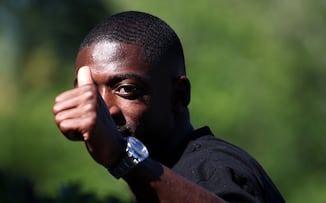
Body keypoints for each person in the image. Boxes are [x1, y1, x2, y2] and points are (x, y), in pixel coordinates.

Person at [52, 11, 285, 203]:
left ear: (178, 96)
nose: (105, 111)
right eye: (89, 94)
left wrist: (121, 156)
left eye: (126, 89)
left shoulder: (211, 169)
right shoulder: (161, 179)